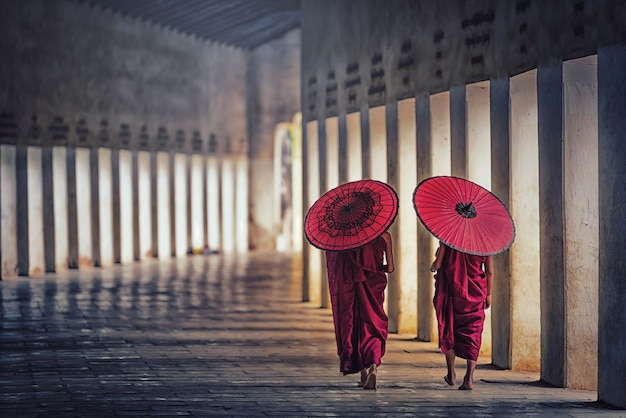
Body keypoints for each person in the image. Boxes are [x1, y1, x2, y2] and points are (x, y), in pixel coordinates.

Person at [325, 231, 395, 390]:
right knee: (374, 325)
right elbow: (391, 268)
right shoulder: (385, 236)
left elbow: (339, 265)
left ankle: (363, 373)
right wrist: (375, 267)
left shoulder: (346, 237)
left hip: (352, 287)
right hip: (374, 285)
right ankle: (373, 368)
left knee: (355, 326)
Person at [430, 241, 493, 390]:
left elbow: (437, 265)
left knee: (449, 329)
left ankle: (451, 373)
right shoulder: (485, 243)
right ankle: (469, 378)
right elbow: (489, 271)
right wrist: (488, 294)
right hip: (475, 292)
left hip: (452, 292)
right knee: (474, 332)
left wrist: (435, 261)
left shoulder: (449, 239)